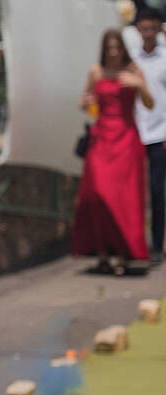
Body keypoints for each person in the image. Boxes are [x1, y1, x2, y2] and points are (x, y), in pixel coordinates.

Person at [73, 27, 154, 273]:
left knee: (124, 198)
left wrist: (139, 85)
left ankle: (123, 253)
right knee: (98, 194)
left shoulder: (133, 71)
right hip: (101, 139)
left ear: (123, 49)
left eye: (117, 47)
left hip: (127, 138)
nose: (113, 52)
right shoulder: (96, 72)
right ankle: (102, 252)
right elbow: (84, 102)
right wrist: (86, 103)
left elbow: (150, 104)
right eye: (109, 48)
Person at [130, 9, 166, 264]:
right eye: (144, 29)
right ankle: (141, 244)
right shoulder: (132, 60)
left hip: (161, 132)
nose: (149, 34)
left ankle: (157, 244)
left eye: (153, 29)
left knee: (158, 190)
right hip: (138, 132)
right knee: (139, 193)